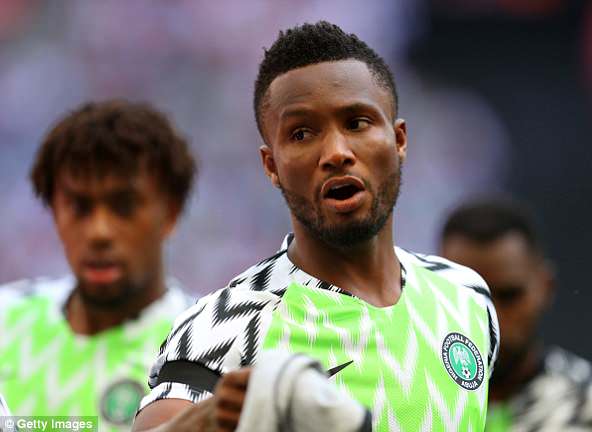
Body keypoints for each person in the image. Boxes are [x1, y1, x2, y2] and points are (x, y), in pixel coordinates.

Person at [133, 21, 499, 432]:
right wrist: (207, 418)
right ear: (271, 165)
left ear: (399, 140)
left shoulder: (466, 296)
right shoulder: (229, 323)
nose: (336, 153)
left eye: (357, 123)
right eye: (302, 133)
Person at [0, 100, 196, 431]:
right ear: (53, 211)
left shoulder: (208, 345)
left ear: (171, 212)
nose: (98, 232)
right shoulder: (4, 320)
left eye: (124, 206)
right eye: (79, 206)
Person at [440, 198, 592, 431]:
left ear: (546, 286)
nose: (490, 318)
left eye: (508, 296)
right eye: (468, 297)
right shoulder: (409, 398)